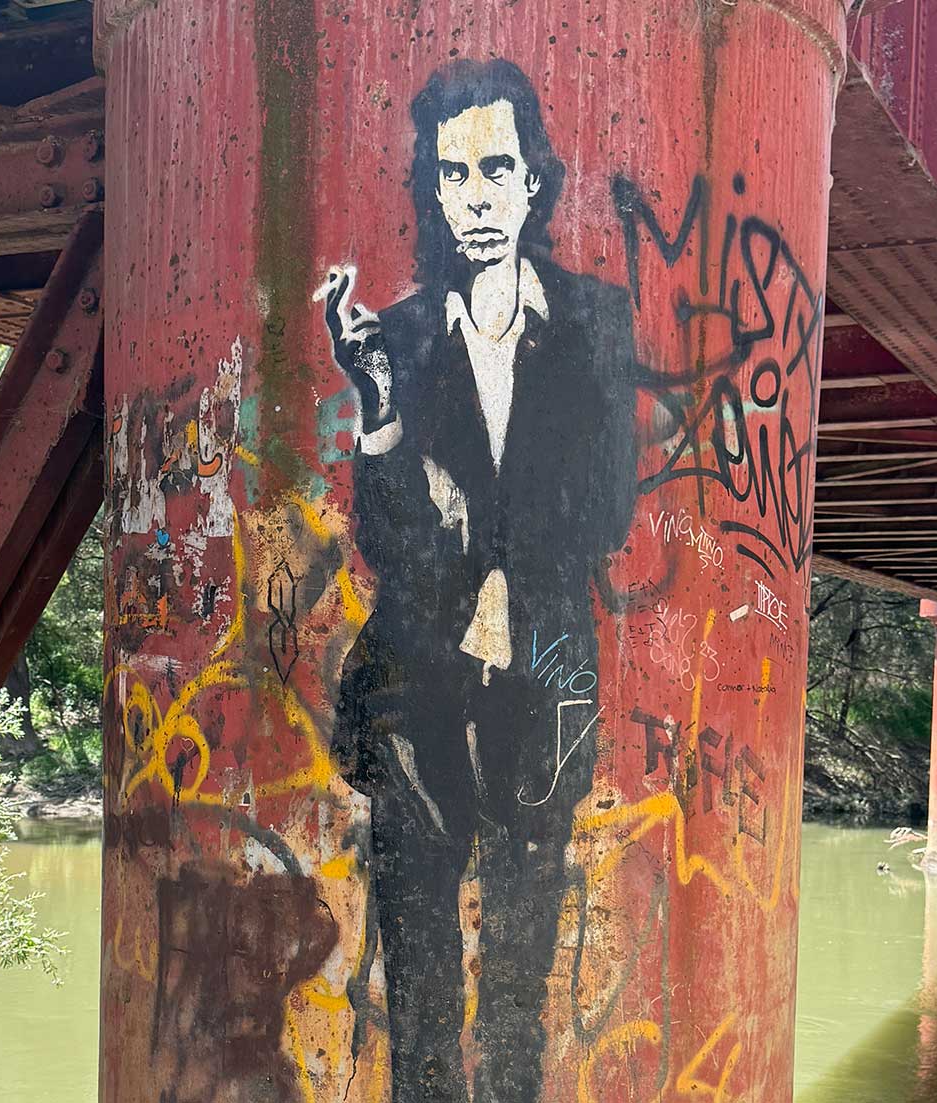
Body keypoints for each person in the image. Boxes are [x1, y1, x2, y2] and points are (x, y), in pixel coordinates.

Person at [317, 58, 640, 1102]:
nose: (478, 196)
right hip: (417, 688)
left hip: (545, 680)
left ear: (534, 180)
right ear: (435, 191)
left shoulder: (594, 323)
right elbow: (386, 538)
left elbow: (607, 509)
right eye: (453, 175)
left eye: (497, 168)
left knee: (516, 975)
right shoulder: (402, 339)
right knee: (418, 983)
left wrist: (485, 541)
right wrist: (380, 411)